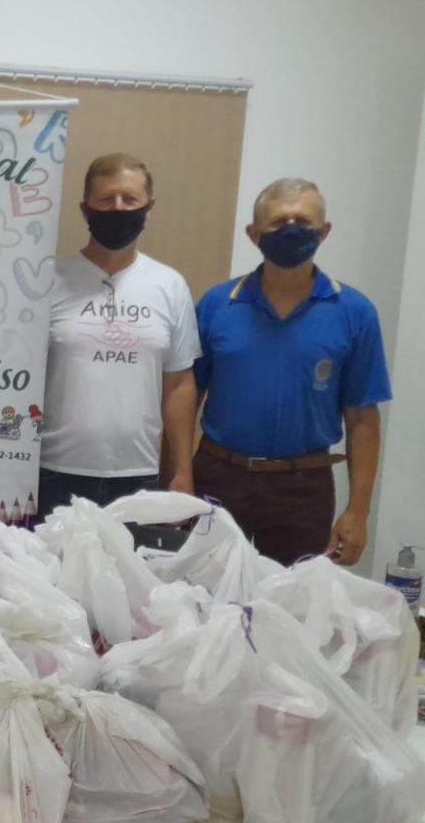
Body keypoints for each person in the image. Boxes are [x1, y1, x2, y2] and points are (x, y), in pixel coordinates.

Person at [194, 178, 388, 566]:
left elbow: (363, 420)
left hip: (304, 489)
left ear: (324, 231)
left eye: (304, 221)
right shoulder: (217, 303)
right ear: (254, 234)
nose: (292, 229)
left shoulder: (355, 312)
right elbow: (185, 397)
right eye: (279, 222)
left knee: (292, 600)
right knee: (203, 594)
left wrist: (358, 512)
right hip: (219, 479)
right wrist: (177, 477)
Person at [38, 153, 199, 519]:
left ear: (149, 206)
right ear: (85, 209)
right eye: (106, 199)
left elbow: (178, 384)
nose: (118, 208)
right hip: (53, 471)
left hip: (138, 475)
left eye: (130, 199)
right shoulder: (47, 280)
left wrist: (182, 473)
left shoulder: (170, 285)